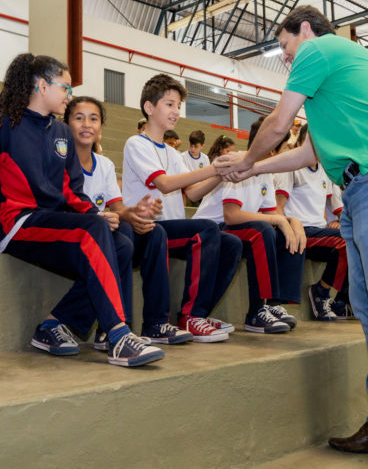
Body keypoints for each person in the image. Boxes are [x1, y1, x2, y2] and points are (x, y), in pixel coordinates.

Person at [214, 6, 368, 469]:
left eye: (284, 46)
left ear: (303, 29)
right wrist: (253, 167)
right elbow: (308, 151)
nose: (286, 58)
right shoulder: (345, 68)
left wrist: (248, 156)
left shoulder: (319, 49)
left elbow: (279, 124)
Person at [0, 54, 164, 367]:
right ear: (42, 86)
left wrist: (95, 214)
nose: (69, 95)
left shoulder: (60, 133)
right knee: (95, 231)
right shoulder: (3, 125)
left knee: (122, 244)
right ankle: (118, 334)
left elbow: (73, 190)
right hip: (18, 223)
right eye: (65, 87)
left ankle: (53, 325)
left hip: (56, 222)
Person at [65, 95, 193, 346]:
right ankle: (112, 328)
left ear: (101, 127)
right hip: (78, 236)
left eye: (93, 119)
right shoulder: (60, 161)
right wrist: (107, 217)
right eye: (78, 118)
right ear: (65, 124)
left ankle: (155, 323)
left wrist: (135, 211)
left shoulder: (104, 164)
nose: (86, 124)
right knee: (120, 239)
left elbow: (118, 208)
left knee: (154, 232)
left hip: (102, 232)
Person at [123, 74, 241, 343]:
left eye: (178, 106)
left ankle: (200, 314)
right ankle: (190, 315)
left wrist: (222, 175)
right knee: (207, 229)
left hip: (173, 230)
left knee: (231, 244)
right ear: (149, 108)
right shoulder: (136, 144)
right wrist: (215, 167)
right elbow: (164, 184)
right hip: (149, 229)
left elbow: (194, 193)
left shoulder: (173, 153)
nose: (176, 112)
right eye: (169, 104)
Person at [195, 117, 306, 333]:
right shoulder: (241, 162)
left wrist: (293, 221)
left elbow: (270, 212)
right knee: (262, 231)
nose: (286, 152)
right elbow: (231, 215)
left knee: (286, 231)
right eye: (285, 148)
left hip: (234, 228)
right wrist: (277, 219)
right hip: (212, 228)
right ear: (273, 150)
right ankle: (256, 311)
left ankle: (273, 304)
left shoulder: (266, 172)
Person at [276, 124, 350, 321]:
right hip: (300, 231)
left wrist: (335, 221)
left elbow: (331, 205)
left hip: (318, 231)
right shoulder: (292, 167)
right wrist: (287, 228)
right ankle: (321, 293)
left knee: (359, 239)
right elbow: (278, 208)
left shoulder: (325, 171)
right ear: (302, 142)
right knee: (346, 239)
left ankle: (341, 298)